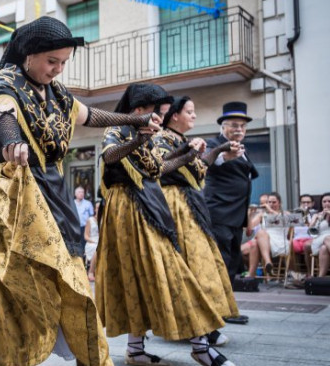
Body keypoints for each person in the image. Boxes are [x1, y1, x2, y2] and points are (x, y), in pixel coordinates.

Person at [0, 17, 164, 366]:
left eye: (64, 62)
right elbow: (3, 111)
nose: (58, 69)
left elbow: (91, 116)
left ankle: (89, 355)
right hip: (20, 194)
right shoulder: (6, 84)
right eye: (52, 61)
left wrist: (134, 120)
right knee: (27, 283)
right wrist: (12, 138)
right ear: (28, 54)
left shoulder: (58, 94)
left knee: (74, 275)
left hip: (54, 190)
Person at [97, 84, 232, 366]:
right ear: (139, 111)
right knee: (160, 271)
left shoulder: (148, 136)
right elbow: (109, 156)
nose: (160, 119)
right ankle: (197, 346)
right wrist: (139, 138)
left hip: (149, 204)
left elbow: (160, 168)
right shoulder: (117, 131)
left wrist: (191, 153)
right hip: (127, 207)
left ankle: (141, 349)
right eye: (157, 114)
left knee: (158, 272)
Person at [155, 96, 242, 347]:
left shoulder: (180, 139)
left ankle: (204, 324)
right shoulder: (162, 139)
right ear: (175, 116)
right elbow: (162, 168)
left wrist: (221, 150)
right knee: (191, 265)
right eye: (189, 111)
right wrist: (190, 151)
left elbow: (199, 169)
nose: (194, 115)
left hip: (190, 204)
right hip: (173, 205)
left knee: (202, 264)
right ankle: (197, 326)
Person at [204, 101, 258, 325]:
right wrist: (224, 155)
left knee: (233, 262)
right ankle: (219, 310)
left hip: (236, 216)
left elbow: (245, 183)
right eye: (234, 125)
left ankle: (227, 307)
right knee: (221, 261)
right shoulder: (214, 144)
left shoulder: (243, 150)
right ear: (223, 127)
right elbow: (209, 161)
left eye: (243, 126)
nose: (239, 130)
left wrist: (247, 219)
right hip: (219, 213)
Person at [246, 192, 289, 277]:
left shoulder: (285, 213)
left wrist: (270, 210)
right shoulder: (262, 215)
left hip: (280, 242)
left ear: (279, 203)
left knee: (260, 234)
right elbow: (249, 233)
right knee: (255, 242)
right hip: (264, 242)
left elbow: (286, 221)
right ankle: (263, 265)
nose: (271, 204)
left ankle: (265, 264)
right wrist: (250, 216)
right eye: (269, 202)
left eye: (274, 202)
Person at [84, 201, 101, 272]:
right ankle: (91, 271)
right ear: (94, 209)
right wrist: (94, 241)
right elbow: (86, 236)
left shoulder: (104, 219)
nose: (99, 209)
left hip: (101, 240)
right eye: (97, 208)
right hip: (91, 241)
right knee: (96, 247)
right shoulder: (90, 220)